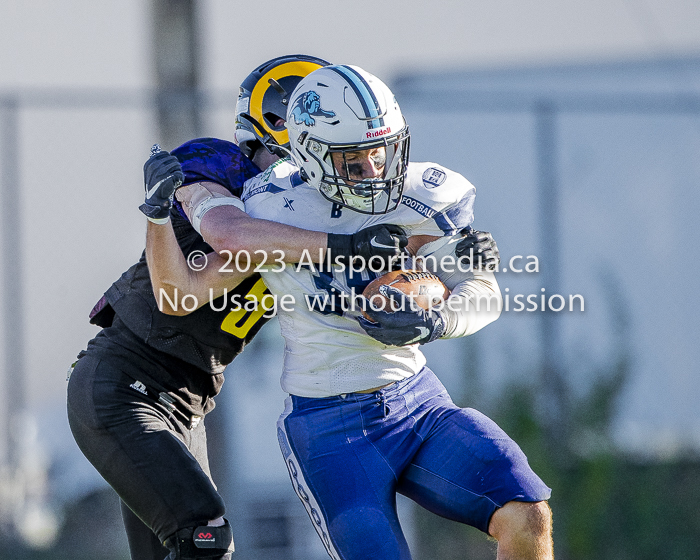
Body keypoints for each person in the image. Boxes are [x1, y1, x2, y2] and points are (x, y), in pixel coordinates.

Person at [162, 64, 551, 560]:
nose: (374, 170)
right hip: (329, 425)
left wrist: (438, 318)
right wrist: (169, 210)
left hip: (419, 402)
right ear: (310, 155)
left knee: (527, 513)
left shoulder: (423, 194)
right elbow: (214, 253)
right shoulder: (271, 208)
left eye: (380, 151)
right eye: (353, 160)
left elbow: (482, 290)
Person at [66, 55, 412, 560]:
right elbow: (209, 262)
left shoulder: (315, 226)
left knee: (180, 551)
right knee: (204, 538)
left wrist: (449, 260)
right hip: (126, 384)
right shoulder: (224, 170)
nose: (354, 167)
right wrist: (344, 245)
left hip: (186, 403)